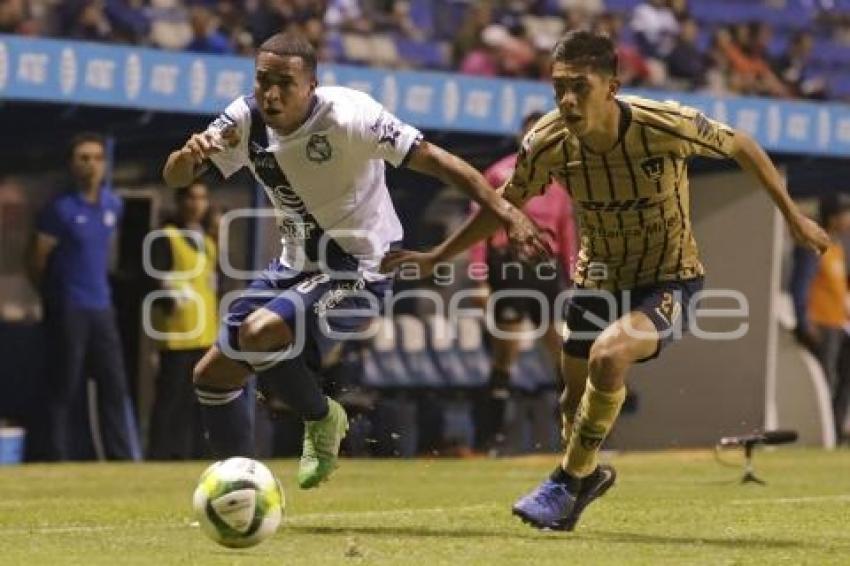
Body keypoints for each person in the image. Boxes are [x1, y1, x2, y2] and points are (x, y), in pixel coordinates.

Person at [381, 30, 830, 530]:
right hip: (597, 277)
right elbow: (505, 204)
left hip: (669, 277)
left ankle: (566, 479)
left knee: (609, 355)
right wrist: (439, 254)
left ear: (611, 86)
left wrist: (793, 217)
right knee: (572, 399)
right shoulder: (548, 142)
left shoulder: (663, 125)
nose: (568, 100)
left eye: (580, 87)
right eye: (559, 88)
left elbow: (741, 144)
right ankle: (584, 479)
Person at [162, 32, 544, 489]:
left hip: (360, 271)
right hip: (294, 266)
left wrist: (506, 213)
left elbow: (440, 162)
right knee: (212, 376)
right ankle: (239, 490)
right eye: (263, 80)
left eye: (285, 82)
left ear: (311, 86)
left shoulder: (350, 116)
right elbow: (176, 177)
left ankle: (322, 418)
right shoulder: (243, 120)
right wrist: (187, 158)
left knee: (260, 331)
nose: (271, 93)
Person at [468, 111, 577, 453]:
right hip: (509, 267)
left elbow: (566, 232)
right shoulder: (500, 173)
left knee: (563, 351)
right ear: (522, 137)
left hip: (545, 270)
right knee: (505, 353)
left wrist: (574, 277)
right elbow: (477, 227)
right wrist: (479, 279)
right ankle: (490, 439)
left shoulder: (558, 183)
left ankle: (574, 436)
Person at [29, 132, 139, 461]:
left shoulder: (113, 205)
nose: (91, 164)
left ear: (105, 164)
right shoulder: (59, 210)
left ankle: (122, 460)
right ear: (72, 165)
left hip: (102, 309)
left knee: (114, 386)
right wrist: (52, 296)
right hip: (70, 309)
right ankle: (54, 456)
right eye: (83, 158)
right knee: (64, 387)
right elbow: (36, 259)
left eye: (96, 158)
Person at [147, 182, 218, 460]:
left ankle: (195, 454)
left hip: (205, 334)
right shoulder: (166, 237)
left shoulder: (208, 241)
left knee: (201, 402)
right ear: (179, 201)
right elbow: (154, 276)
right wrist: (171, 293)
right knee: (170, 399)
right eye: (191, 197)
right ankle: (161, 454)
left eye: (202, 197)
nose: (196, 203)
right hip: (176, 333)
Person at [790, 194, 850, 443]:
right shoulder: (812, 245)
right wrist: (804, 321)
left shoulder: (838, 247)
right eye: (846, 213)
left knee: (845, 377)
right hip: (821, 324)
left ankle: (836, 430)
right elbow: (800, 284)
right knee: (825, 380)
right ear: (834, 217)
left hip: (840, 324)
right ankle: (823, 435)